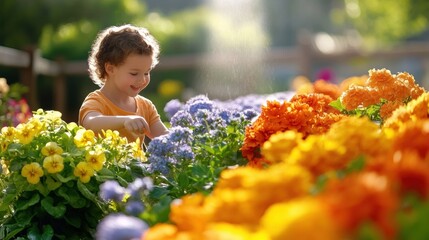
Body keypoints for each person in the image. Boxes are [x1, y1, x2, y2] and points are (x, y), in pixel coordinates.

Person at [79, 24, 169, 143]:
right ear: (110, 69)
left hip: (137, 162)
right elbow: (90, 122)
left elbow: (165, 139)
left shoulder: (146, 106)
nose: (142, 79)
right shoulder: (97, 101)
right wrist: (125, 121)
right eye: (134, 73)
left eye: (146, 73)